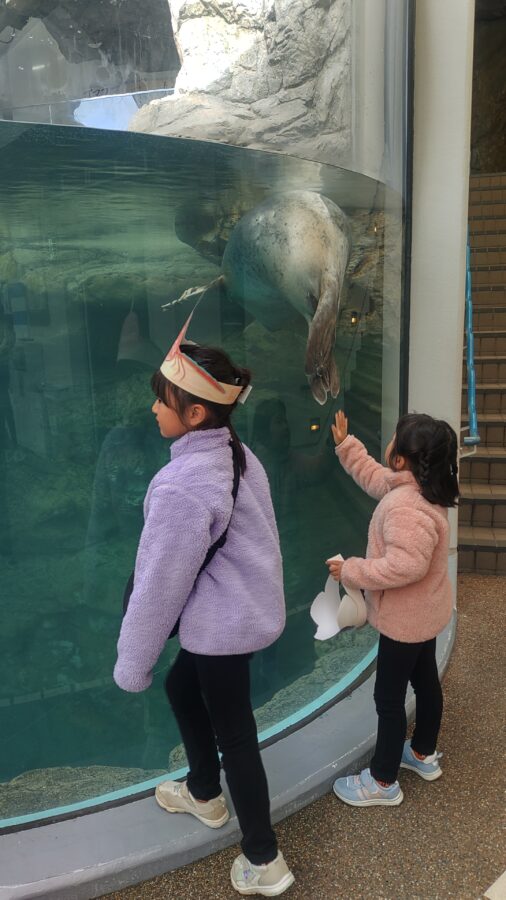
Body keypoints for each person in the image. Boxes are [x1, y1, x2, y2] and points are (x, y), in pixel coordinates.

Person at [113, 311, 295, 897]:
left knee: (235, 732)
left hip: (221, 626)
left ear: (195, 414)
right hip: (241, 610)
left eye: (162, 401)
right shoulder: (237, 453)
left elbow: (159, 585)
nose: (153, 410)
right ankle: (204, 792)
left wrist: (132, 662)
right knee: (181, 689)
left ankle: (264, 860)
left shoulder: (182, 485)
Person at [328, 410, 458, 806]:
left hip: (404, 623)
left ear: (401, 458)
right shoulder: (421, 487)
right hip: (425, 616)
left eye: (394, 439)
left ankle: (382, 782)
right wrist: (346, 446)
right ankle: (422, 754)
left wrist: (352, 570)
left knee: (388, 699)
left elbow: (406, 566)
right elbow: (374, 476)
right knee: (425, 683)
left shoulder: (405, 507)